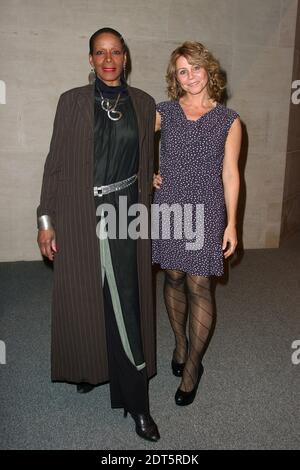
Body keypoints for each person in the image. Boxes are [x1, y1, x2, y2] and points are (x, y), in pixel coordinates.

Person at [37, 27, 160, 442]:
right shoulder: (70, 102)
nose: (108, 60)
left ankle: (137, 402)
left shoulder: (143, 104)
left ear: (126, 57)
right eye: (99, 53)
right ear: (90, 60)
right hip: (78, 214)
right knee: (86, 297)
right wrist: (45, 221)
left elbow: (148, 165)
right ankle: (91, 367)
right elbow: (54, 164)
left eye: (115, 52)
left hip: (126, 215)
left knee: (126, 303)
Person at [152, 41, 242, 406]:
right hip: (170, 205)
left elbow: (232, 174)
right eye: (182, 71)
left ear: (209, 70)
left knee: (199, 284)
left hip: (207, 208)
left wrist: (232, 223)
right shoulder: (163, 112)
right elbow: (133, 142)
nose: (189, 77)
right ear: (176, 77)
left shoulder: (229, 120)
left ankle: (193, 366)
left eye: (195, 68)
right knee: (173, 276)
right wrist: (148, 173)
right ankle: (179, 343)